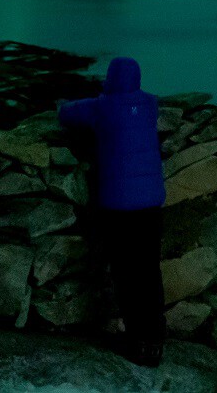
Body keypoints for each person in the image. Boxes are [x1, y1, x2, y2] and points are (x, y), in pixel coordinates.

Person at [59, 55, 166, 366]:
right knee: (149, 272)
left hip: (118, 208)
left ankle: (136, 344)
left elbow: (68, 114)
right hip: (150, 204)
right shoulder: (150, 103)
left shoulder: (102, 107)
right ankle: (155, 341)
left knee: (126, 274)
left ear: (111, 78)